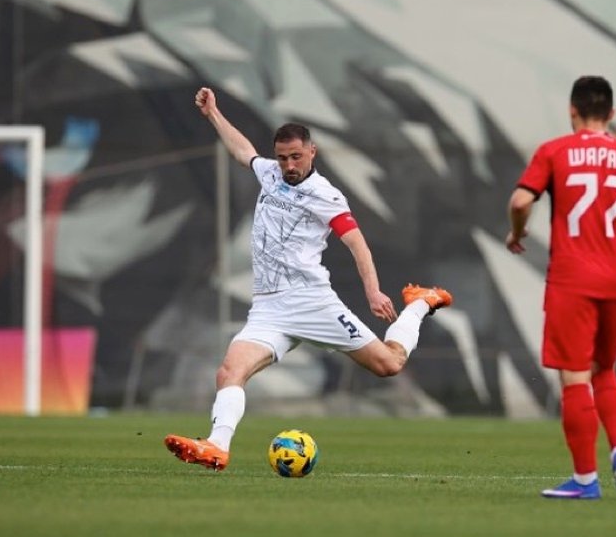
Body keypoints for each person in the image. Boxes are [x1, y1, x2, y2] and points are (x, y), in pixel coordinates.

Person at [164, 87, 453, 470]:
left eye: (296, 156)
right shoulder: (270, 173)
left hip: (311, 302)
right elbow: (242, 150)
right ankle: (217, 446)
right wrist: (214, 114)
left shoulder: (325, 195)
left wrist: (373, 291)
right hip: (268, 307)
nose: (288, 165)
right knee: (229, 371)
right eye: (283, 157)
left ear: (312, 152)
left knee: (388, 364)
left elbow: (357, 243)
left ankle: (419, 304)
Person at [506, 75, 616, 500]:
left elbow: (521, 201)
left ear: (572, 110)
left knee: (575, 377)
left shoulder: (554, 151)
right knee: (606, 370)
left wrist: (517, 232)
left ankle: (585, 481)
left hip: (572, 279)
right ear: (612, 113)